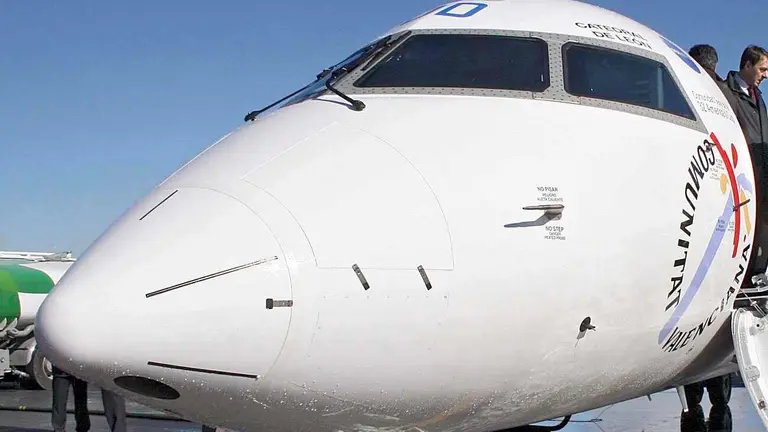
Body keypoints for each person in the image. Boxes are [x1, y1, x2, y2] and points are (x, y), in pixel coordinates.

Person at [721, 45, 768, 287]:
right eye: (762, 69)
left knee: (762, 226)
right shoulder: (725, 92)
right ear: (747, 65)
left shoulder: (758, 98)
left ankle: (756, 278)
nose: (765, 75)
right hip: (739, 174)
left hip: (762, 172)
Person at [51, 364, 90, 432]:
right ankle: (59, 429)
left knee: (80, 401)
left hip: (77, 369)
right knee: (60, 402)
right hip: (63, 369)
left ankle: (83, 427)